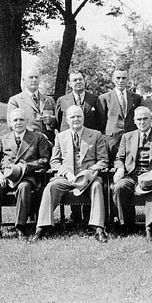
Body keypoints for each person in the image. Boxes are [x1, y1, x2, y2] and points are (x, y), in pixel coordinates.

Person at [31, 105, 109, 243]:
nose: (76, 119)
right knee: (51, 187)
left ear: (83, 118)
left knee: (97, 186)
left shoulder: (96, 135)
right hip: (67, 178)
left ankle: (98, 228)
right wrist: (67, 174)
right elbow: (54, 161)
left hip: (88, 178)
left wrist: (89, 172)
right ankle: (42, 227)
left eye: (78, 116)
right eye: (72, 117)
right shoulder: (60, 137)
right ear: (67, 120)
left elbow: (103, 160)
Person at [0, 108, 50, 240]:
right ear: (10, 123)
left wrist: (26, 167)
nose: (18, 122)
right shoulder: (3, 139)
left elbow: (44, 160)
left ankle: (20, 227)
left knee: (24, 187)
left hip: (26, 176)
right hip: (6, 177)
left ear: (27, 121)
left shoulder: (37, 138)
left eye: (21, 119)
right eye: (15, 120)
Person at [112, 107, 152, 240]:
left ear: (151, 119)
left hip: (151, 175)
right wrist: (120, 168)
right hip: (131, 175)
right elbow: (119, 158)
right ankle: (126, 225)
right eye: (139, 119)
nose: (142, 122)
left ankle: (149, 227)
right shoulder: (127, 137)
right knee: (118, 188)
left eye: (145, 118)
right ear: (134, 121)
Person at [55, 70, 99, 223]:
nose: (78, 82)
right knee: (73, 170)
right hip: (69, 142)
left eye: (80, 79)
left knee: (85, 172)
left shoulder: (94, 99)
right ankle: (75, 215)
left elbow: (100, 120)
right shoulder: (62, 100)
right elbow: (57, 121)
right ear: (70, 83)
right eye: (74, 80)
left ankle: (88, 214)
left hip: (89, 142)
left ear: (84, 81)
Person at [96, 68, 143, 161]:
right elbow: (101, 121)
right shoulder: (104, 98)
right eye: (118, 78)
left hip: (131, 138)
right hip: (112, 140)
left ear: (127, 80)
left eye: (124, 78)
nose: (121, 81)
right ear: (113, 79)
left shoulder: (136, 98)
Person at [7, 68, 56, 142]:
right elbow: (12, 124)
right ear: (23, 80)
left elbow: (59, 122)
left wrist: (52, 120)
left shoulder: (49, 100)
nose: (34, 80)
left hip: (48, 142)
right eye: (31, 77)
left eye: (36, 77)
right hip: (26, 143)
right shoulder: (15, 100)